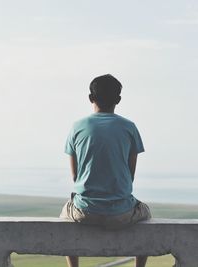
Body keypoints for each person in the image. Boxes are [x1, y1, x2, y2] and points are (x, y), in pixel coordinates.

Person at [60, 74, 151, 267]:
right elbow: (130, 175)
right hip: (122, 213)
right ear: (118, 100)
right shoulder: (129, 128)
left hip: (84, 211)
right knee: (147, 214)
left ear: (90, 98)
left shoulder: (77, 127)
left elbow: (75, 176)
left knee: (64, 213)